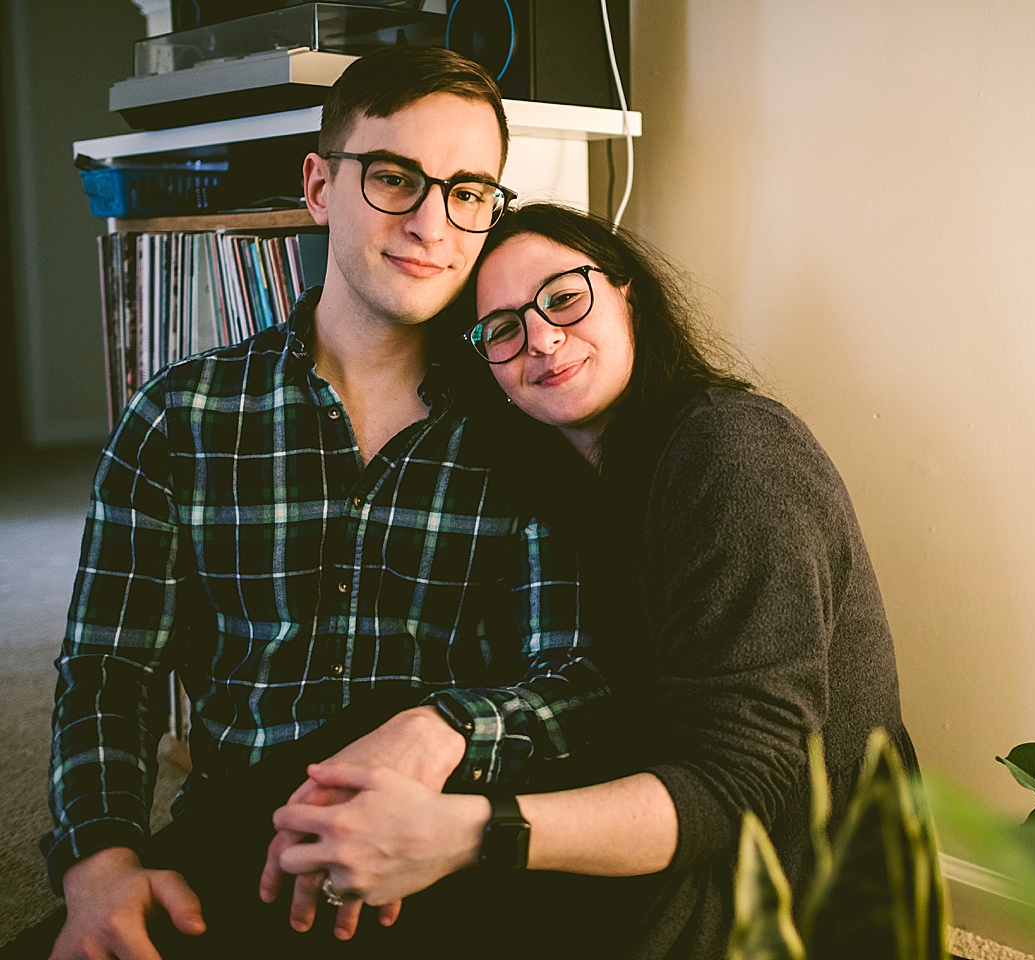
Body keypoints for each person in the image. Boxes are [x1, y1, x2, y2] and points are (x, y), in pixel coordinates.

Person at [22, 49, 611, 960]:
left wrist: (442, 729)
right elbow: (109, 668)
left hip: (442, 839)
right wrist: (98, 855)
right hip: (238, 826)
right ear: (319, 186)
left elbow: (575, 675)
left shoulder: (526, 420)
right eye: (393, 179)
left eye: (466, 192)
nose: (430, 222)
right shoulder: (180, 414)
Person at [269, 203, 917, 959]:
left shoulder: (734, 455)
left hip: (776, 886)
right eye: (503, 329)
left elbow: (744, 786)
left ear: (628, 292)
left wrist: (475, 833)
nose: (540, 338)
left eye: (565, 298)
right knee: (365, 758)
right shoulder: (568, 479)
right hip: (648, 809)